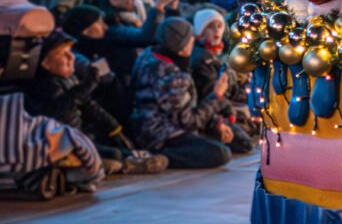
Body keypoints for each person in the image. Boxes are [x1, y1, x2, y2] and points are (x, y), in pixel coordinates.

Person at [21, 31, 168, 175]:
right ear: (45, 63)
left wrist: (114, 127)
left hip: (79, 136)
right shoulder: (43, 85)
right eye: (61, 54)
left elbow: (89, 105)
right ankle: (123, 165)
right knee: (112, 154)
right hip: (61, 143)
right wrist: (85, 87)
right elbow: (62, 115)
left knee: (115, 147)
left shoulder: (67, 79)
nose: (70, 57)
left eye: (70, 51)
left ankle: (130, 158)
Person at [130, 18, 234, 169]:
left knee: (233, 139)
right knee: (220, 153)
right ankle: (161, 158)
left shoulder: (148, 55)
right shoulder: (173, 75)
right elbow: (189, 121)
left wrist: (216, 123)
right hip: (160, 135)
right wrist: (217, 96)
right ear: (183, 45)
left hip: (147, 125)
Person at [190, 9, 255, 154]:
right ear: (200, 31)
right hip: (209, 112)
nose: (216, 30)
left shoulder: (219, 55)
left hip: (221, 105)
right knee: (244, 143)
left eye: (219, 26)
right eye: (211, 27)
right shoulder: (202, 58)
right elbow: (211, 94)